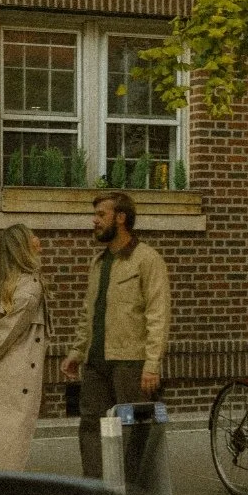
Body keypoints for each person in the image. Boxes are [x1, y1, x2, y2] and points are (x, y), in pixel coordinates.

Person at [60, 190, 170, 478]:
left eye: (101, 215)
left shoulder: (147, 259)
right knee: (91, 426)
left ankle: (136, 491)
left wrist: (152, 365)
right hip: (96, 362)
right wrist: (77, 350)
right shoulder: (98, 263)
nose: (93, 221)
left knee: (134, 431)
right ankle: (97, 490)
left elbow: (158, 315)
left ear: (121, 218)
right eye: (94, 214)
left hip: (130, 362)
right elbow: (89, 312)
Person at [0, 223, 50, 471]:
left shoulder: (1, 286)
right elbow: (4, 334)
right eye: (32, 236)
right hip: (12, 381)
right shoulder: (29, 288)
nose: (38, 239)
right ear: (21, 248)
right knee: (6, 453)